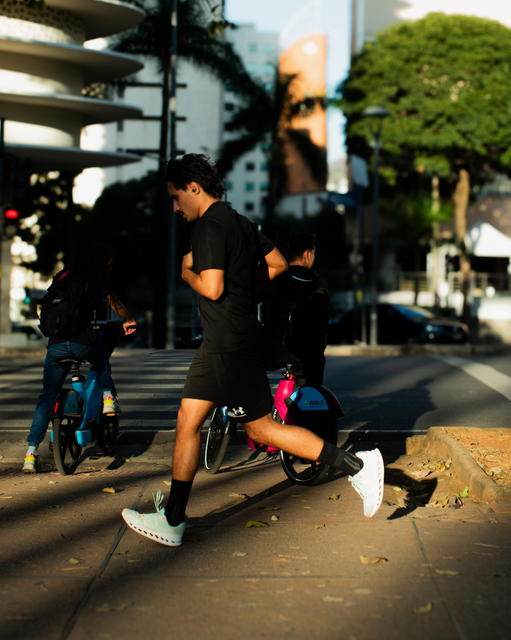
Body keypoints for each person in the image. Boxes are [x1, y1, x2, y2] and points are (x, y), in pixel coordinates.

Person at [122, 154, 383, 546]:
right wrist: (242, 284)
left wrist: (187, 272)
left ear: (194, 188)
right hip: (220, 343)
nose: (175, 207)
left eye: (177, 197)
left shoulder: (208, 226)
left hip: (231, 343)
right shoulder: (239, 221)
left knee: (262, 428)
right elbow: (277, 265)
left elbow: (211, 287)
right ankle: (173, 520)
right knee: (187, 420)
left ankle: (358, 466)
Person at [24, 243, 136, 473]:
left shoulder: (63, 275)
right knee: (102, 356)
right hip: (83, 343)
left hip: (55, 346)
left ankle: (30, 454)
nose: (110, 268)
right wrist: (130, 320)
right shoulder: (97, 280)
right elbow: (115, 304)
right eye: (109, 263)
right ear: (100, 263)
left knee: (46, 399)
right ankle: (107, 398)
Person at [262, 231, 330, 387]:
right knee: (311, 385)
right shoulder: (321, 284)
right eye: (313, 253)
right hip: (311, 356)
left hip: (275, 352)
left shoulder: (276, 278)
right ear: (307, 254)